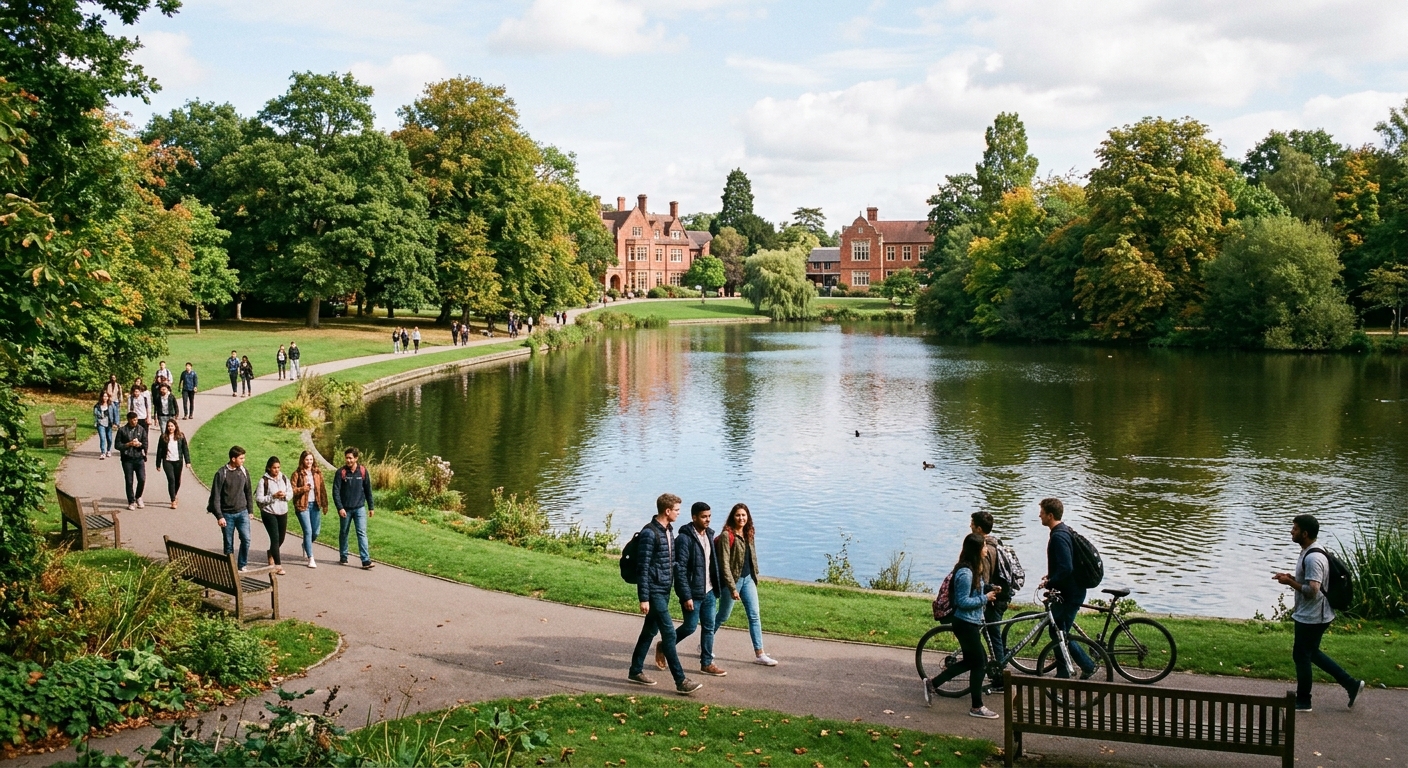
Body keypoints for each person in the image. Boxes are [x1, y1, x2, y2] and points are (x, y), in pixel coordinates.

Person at [1273, 514, 1365, 712]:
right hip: (1315, 614)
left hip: (1313, 616)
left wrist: (1289, 582)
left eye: (1295, 529)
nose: (1291, 531)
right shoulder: (1311, 550)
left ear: (1305, 533)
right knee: (1311, 653)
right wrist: (1291, 576)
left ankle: (1304, 701)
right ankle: (1351, 684)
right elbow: (1311, 581)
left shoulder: (1313, 557)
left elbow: (1313, 590)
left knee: (1301, 655)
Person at [627, 493, 702, 695]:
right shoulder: (649, 534)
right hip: (653, 590)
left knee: (649, 631)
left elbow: (672, 563)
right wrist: (643, 598)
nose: (679, 513)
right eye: (677, 510)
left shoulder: (669, 531)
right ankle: (681, 681)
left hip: (664, 588)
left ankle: (635, 670)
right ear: (667, 511)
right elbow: (642, 568)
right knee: (669, 634)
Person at [923, 533, 1003, 719]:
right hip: (965, 623)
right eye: (983, 546)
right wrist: (985, 598)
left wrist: (987, 589)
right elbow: (962, 601)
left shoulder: (974, 569)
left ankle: (932, 683)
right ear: (976, 550)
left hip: (971, 622)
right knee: (980, 663)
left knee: (971, 661)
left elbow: (973, 591)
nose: (986, 549)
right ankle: (976, 707)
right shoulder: (965, 573)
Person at [1038, 497, 1095, 679]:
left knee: (1061, 633)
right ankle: (1062, 671)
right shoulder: (1063, 531)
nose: (1039, 515)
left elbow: (1066, 568)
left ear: (1050, 515)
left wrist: (1050, 582)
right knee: (1058, 631)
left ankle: (1087, 665)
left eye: (1042, 512)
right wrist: (1051, 577)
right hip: (1069, 591)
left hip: (1071, 593)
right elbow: (1064, 566)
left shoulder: (1058, 537)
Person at [668, 501, 727, 677]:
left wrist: (717, 587)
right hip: (693, 594)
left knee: (709, 627)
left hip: (709, 592)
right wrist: (686, 596)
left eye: (709, 516)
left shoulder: (709, 535)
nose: (707, 520)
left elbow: (711, 565)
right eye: (704, 517)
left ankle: (707, 663)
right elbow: (680, 570)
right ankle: (665, 646)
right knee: (690, 627)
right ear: (694, 517)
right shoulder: (684, 539)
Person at [715, 503, 778, 666]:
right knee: (723, 616)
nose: (741, 518)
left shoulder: (749, 533)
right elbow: (724, 565)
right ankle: (705, 642)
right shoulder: (726, 535)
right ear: (732, 517)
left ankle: (760, 654)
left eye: (744, 515)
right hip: (733, 582)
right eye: (738, 515)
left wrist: (755, 576)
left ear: (748, 517)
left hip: (749, 579)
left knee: (754, 615)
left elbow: (752, 557)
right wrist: (732, 587)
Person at [971, 510, 1010, 691]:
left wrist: (981, 598)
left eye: (972, 524)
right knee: (992, 633)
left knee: (994, 636)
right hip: (1001, 596)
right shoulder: (997, 542)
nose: (970, 526)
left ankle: (1000, 678)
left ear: (979, 528)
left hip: (994, 598)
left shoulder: (985, 550)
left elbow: (985, 580)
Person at [209, 445, 255, 571]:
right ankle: (230, 567)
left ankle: (242, 565)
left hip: (242, 512)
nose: (243, 460)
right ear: (233, 459)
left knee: (246, 539)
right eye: (241, 458)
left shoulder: (244, 471)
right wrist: (219, 516)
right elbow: (216, 496)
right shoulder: (221, 473)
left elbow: (248, 491)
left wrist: (250, 510)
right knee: (228, 544)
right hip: (227, 514)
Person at [332, 447, 375, 569]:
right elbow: (336, 491)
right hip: (345, 509)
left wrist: (371, 507)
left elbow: (368, 490)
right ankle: (343, 555)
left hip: (360, 508)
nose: (348, 460)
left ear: (356, 458)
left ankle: (365, 560)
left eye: (350, 458)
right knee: (344, 532)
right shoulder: (341, 472)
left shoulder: (362, 471)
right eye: (346, 458)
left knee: (361, 533)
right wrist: (340, 508)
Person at [256, 455, 292, 575]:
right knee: (275, 538)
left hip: (282, 511)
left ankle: (271, 553)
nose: (277, 470)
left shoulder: (284, 478)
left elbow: (290, 493)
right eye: (274, 468)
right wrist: (273, 497)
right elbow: (259, 498)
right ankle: (278, 565)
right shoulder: (263, 481)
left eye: (278, 467)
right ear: (269, 468)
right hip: (269, 512)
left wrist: (284, 495)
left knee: (281, 538)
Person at [291, 450, 327, 568]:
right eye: (307, 459)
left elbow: (322, 489)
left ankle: (306, 545)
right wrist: (303, 489)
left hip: (315, 505)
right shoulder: (297, 473)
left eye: (311, 459)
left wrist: (325, 504)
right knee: (308, 531)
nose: (309, 462)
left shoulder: (317, 473)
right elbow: (292, 490)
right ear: (302, 460)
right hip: (302, 506)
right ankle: (311, 558)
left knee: (315, 532)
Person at [153, 418, 190, 508]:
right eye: (169, 426)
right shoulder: (163, 437)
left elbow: (185, 449)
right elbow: (160, 451)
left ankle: (174, 494)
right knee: (171, 479)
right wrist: (158, 464)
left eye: (172, 426)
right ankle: (173, 500)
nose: (170, 428)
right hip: (167, 461)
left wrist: (188, 461)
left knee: (177, 480)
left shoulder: (181, 436)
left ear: (175, 426)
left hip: (178, 461)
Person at [115, 411, 147, 509]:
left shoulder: (141, 429)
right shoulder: (122, 430)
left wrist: (140, 445)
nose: (135, 422)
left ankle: (138, 497)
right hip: (127, 459)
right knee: (129, 481)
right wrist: (128, 444)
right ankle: (131, 501)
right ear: (128, 420)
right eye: (133, 420)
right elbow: (117, 445)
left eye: (136, 420)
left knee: (142, 479)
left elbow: (145, 443)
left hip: (139, 458)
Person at [93, 391, 119, 459]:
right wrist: (96, 422)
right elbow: (95, 415)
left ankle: (108, 450)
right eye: (104, 396)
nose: (105, 398)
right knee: (102, 438)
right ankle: (103, 452)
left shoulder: (111, 405)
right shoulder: (97, 405)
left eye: (106, 396)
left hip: (109, 423)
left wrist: (116, 423)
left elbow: (115, 414)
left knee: (109, 438)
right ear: (101, 397)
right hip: (100, 423)